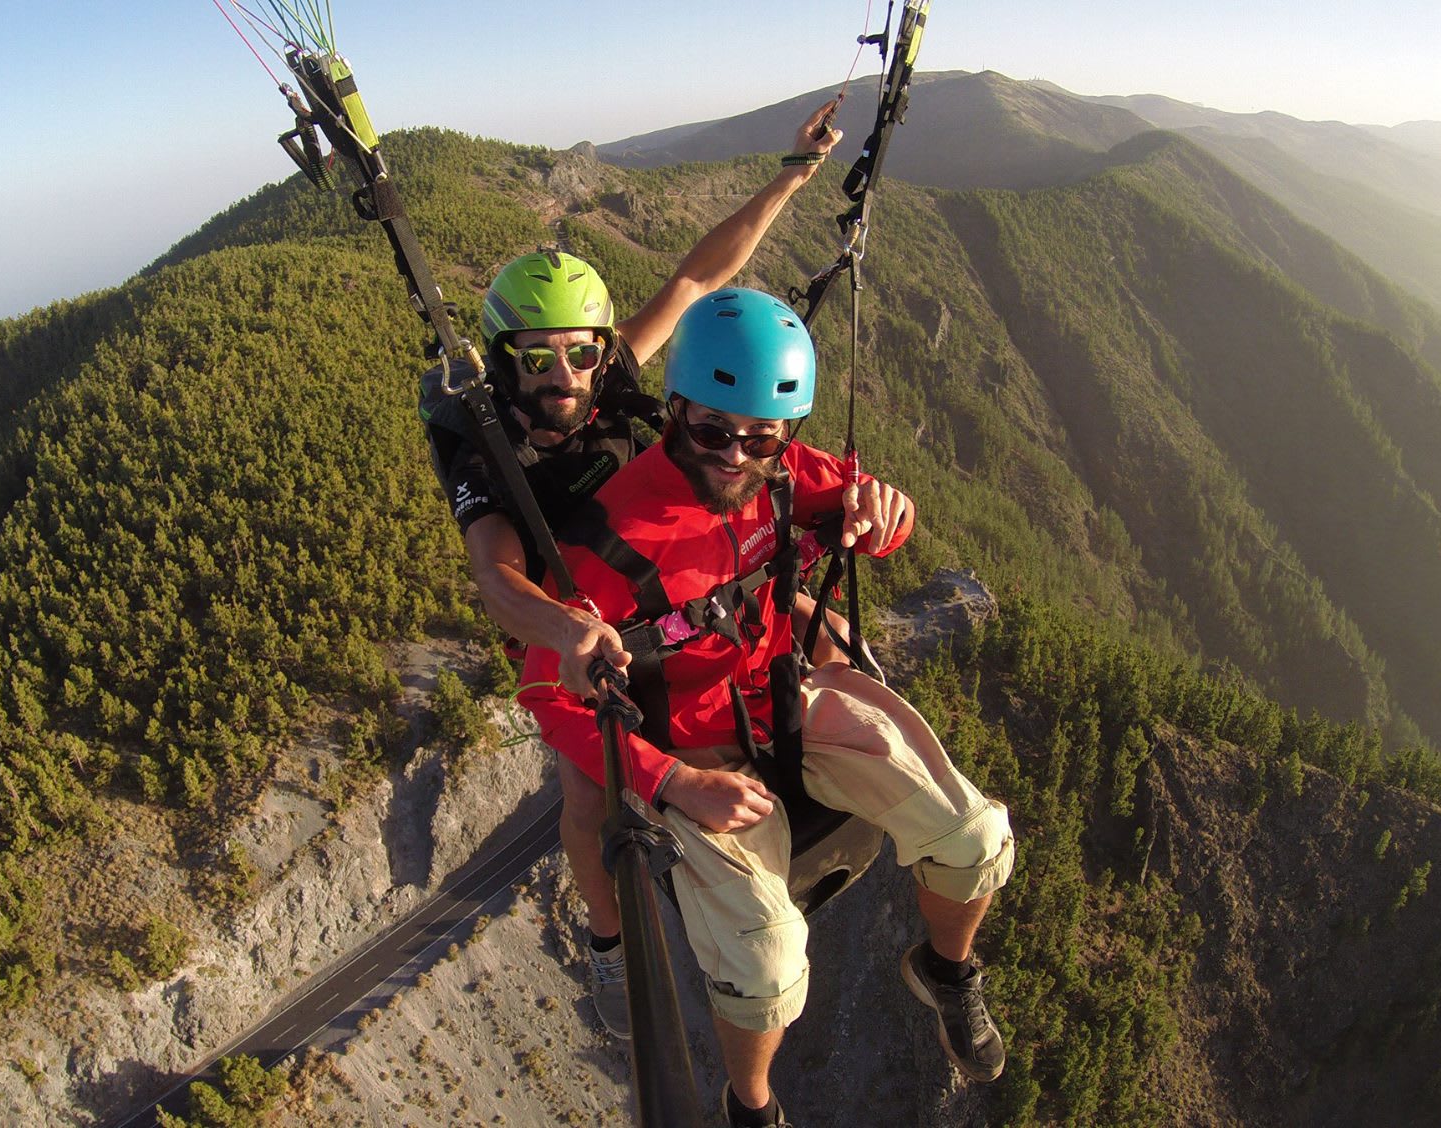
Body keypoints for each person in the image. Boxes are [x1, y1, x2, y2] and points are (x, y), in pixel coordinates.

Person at [518, 289, 1016, 1126]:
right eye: (712, 432)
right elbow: (548, 695)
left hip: (783, 701)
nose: (735, 456)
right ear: (675, 412)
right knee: (769, 964)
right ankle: (749, 1104)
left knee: (976, 839)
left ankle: (947, 970)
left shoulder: (784, 474)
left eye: (761, 437)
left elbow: (869, 513)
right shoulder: (603, 545)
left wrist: (886, 517)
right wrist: (671, 780)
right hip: (692, 748)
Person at [421, 102, 844, 1039]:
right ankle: (612, 948)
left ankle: (832, 770)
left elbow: (701, 272)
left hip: (662, 579)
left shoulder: (612, 377)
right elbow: (497, 580)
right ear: (503, 362)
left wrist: (791, 176)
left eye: (580, 353)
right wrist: (567, 629)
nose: (564, 377)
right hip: (574, 627)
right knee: (587, 786)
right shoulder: (492, 459)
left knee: (815, 618)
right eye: (537, 359)